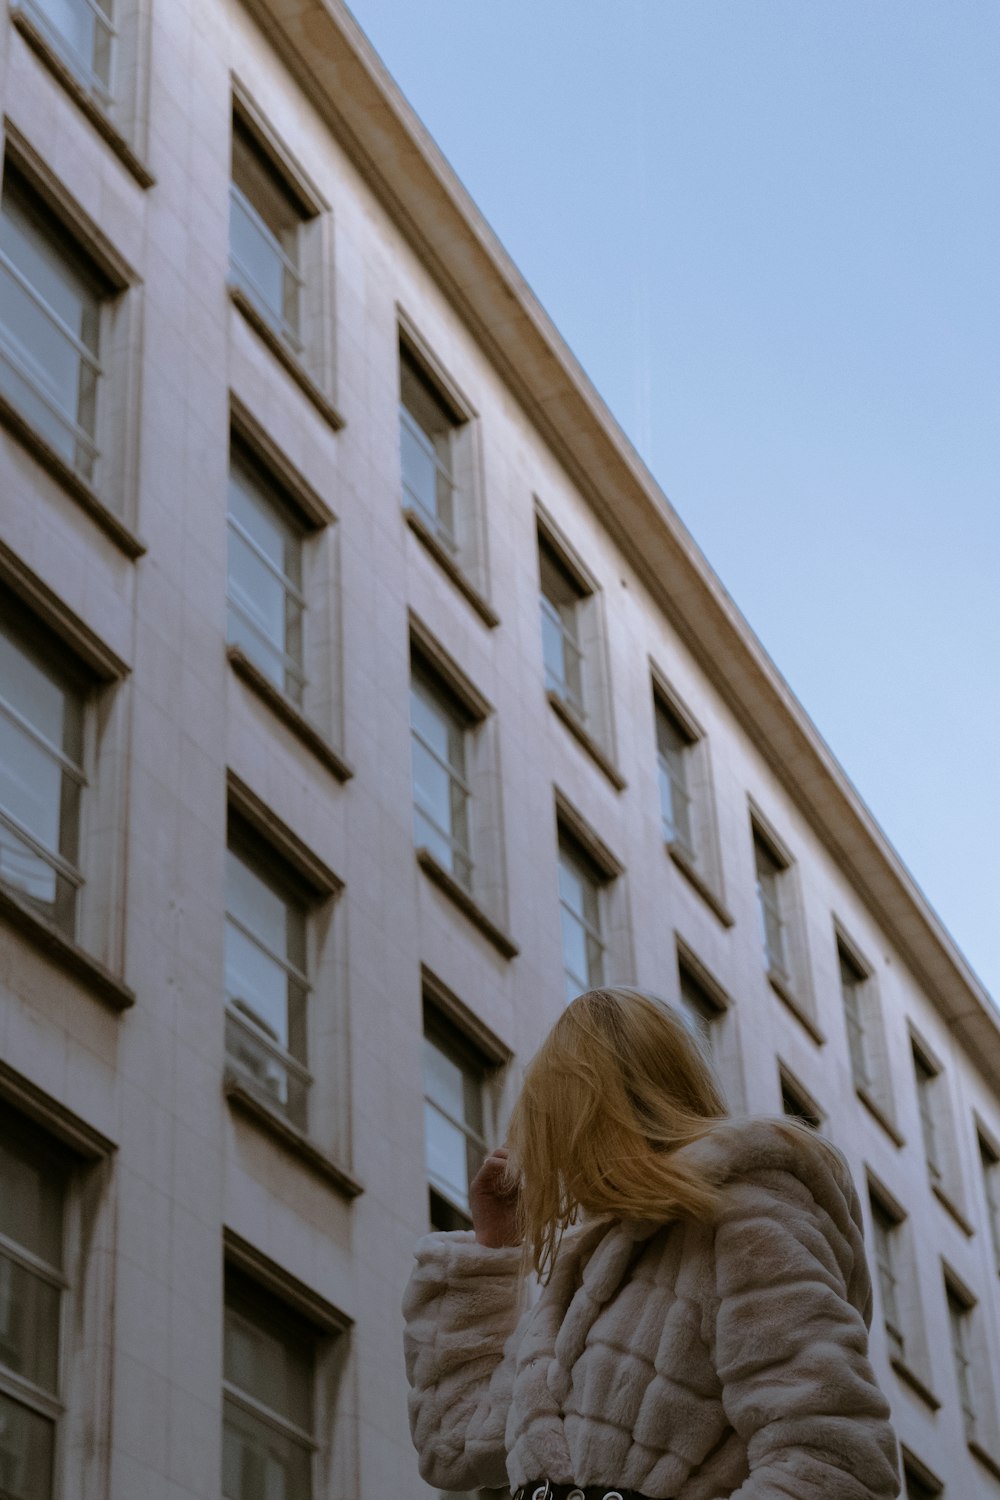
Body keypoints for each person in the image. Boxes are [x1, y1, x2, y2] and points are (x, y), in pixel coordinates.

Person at [402, 986, 901, 1500]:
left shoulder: (745, 1215)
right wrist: (492, 1246)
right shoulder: (583, 1277)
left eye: (553, 1114)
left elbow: (833, 1462)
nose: (547, 1146)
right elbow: (452, 1448)